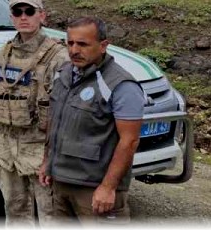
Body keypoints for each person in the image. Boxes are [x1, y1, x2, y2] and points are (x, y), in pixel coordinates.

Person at [40, 17, 143, 223]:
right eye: (70, 43)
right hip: (60, 182)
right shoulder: (64, 74)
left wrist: (108, 187)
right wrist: (47, 162)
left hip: (94, 190)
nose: (74, 50)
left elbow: (129, 141)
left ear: (103, 45)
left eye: (83, 44)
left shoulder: (121, 85)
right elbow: (56, 122)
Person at [0, 0, 70, 225]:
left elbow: (64, 113)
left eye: (29, 11)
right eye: (17, 11)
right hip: (7, 152)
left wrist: (51, 158)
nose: (23, 17)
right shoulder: (4, 53)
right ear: (11, 17)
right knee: (14, 212)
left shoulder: (58, 57)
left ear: (42, 16)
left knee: (50, 216)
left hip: (40, 153)